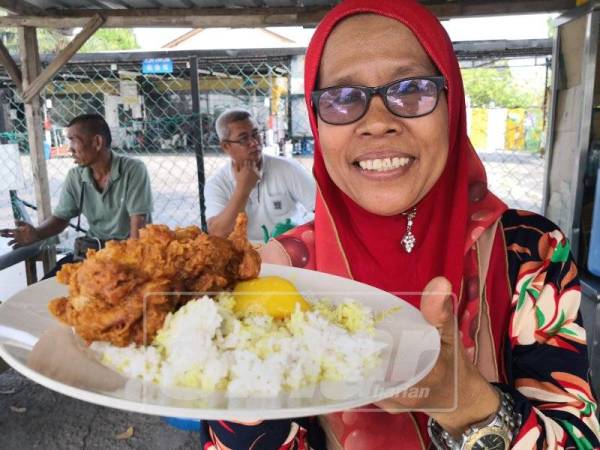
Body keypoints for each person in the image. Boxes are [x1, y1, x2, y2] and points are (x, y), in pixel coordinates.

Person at [200, 0, 600, 449]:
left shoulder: (530, 252)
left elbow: (579, 439)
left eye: (412, 89)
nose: (377, 123)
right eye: (341, 98)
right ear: (316, 121)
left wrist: (464, 401)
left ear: (452, 106)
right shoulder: (280, 273)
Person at [0, 114, 153, 277]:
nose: (70, 148)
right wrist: (36, 233)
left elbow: (138, 225)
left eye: (73, 140)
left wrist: (132, 269)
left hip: (127, 254)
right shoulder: (75, 177)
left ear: (97, 142)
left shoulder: (133, 170)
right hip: (93, 252)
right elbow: (61, 219)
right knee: (51, 284)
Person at [204, 109, 316, 242]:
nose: (254, 142)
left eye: (256, 134)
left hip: (287, 253)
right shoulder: (217, 183)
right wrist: (243, 188)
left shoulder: (287, 168)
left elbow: (321, 209)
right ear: (226, 146)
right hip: (244, 257)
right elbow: (217, 233)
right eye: (243, 138)